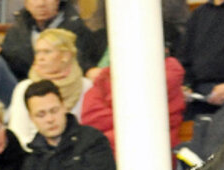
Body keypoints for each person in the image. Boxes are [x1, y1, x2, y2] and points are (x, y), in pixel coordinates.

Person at [0, 0, 99, 108]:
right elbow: (12, 58)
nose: (41, 3)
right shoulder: (20, 25)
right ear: (26, 2)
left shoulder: (75, 27)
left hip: (62, 96)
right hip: (23, 94)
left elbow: (83, 62)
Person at [80, 27, 186, 156]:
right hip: (108, 146)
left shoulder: (168, 70)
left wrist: (118, 108)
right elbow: (91, 119)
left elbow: (144, 113)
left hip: (154, 144)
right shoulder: (106, 75)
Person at [17, 80, 117, 170]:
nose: (50, 119)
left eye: (54, 111)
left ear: (64, 107)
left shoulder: (93, 140)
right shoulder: (33, 158)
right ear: (31, 118)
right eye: (41, 115)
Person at [5, 28, 92, 149]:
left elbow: (92, 130)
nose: (40, 58)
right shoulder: (24, 88)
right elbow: (19, 135)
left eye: (47, 52)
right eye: (38, 52)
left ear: (66, 56)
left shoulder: (87, 86)